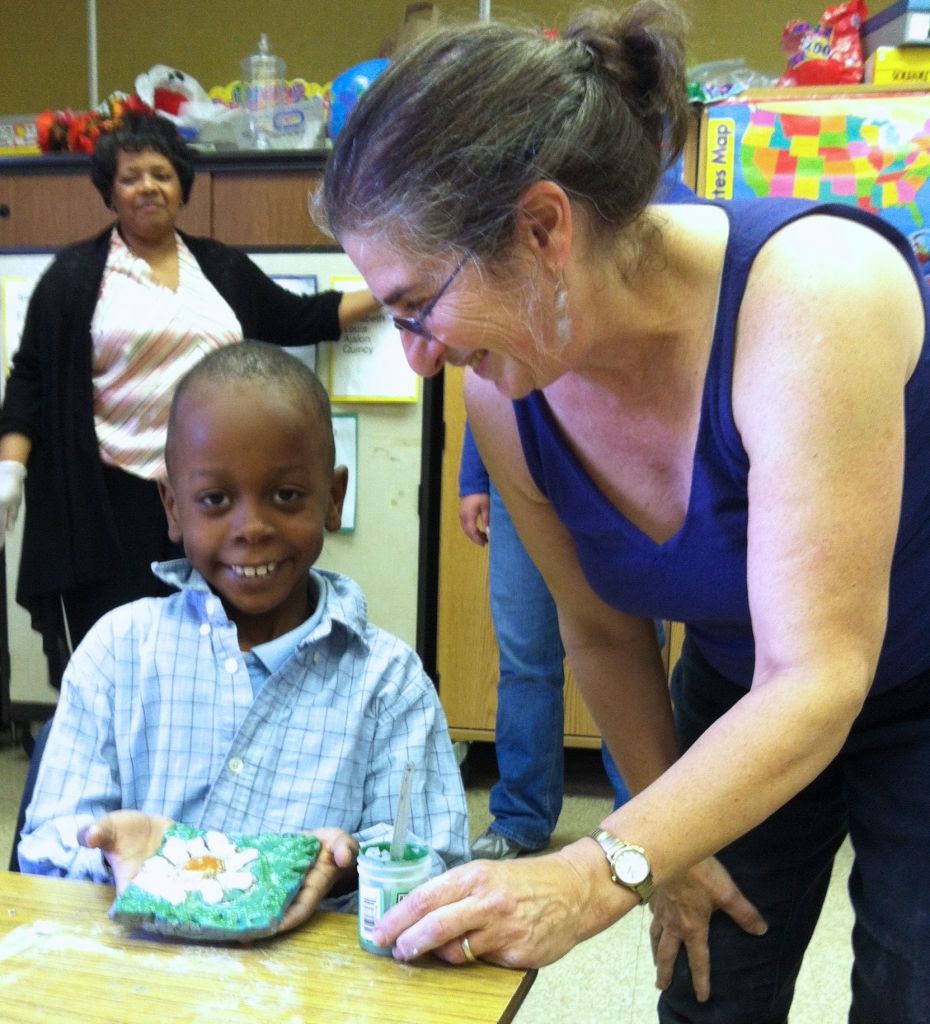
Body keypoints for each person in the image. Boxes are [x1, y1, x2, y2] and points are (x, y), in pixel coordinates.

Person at [316, 4, 930, 1022]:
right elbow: (601, 632)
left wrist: (599, 867)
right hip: (741, 687)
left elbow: (818, 671)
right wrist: (659, 857)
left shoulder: (819, 295)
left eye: (419, 304)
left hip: (906, 679)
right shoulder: (504, 394)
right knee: (707, 982)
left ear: (546, 226)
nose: (416, 354)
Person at [18, 342, 469, 926]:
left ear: (333, 498)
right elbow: (45, 845)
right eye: (215, 500)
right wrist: (116, 857)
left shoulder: (388, 683)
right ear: (173, 507)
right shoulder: (117, 652)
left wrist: (351, 864)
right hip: (137, 986)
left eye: (285, 495)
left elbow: (437, 862)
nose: (251, 528)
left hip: (310, 996)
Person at [0, 112, 379, 670]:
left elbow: (302, 318)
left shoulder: (219, 267)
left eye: (161, 174)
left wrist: (396, 285)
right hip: (112, 501)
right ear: (110, 192)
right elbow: (29, 376)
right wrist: (12, 469)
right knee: (127, 656)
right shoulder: (74, 277)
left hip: (216, 494)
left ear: (181, 186)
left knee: (219, 646)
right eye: (130, 177)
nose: (148, 187)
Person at [459, 421, 631, 861]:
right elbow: (487, 370)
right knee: (524, 658)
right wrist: (474, 478)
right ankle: (521, 818)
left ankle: (637, 821)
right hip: (515, 477)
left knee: (630, 654)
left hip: (616, 473)